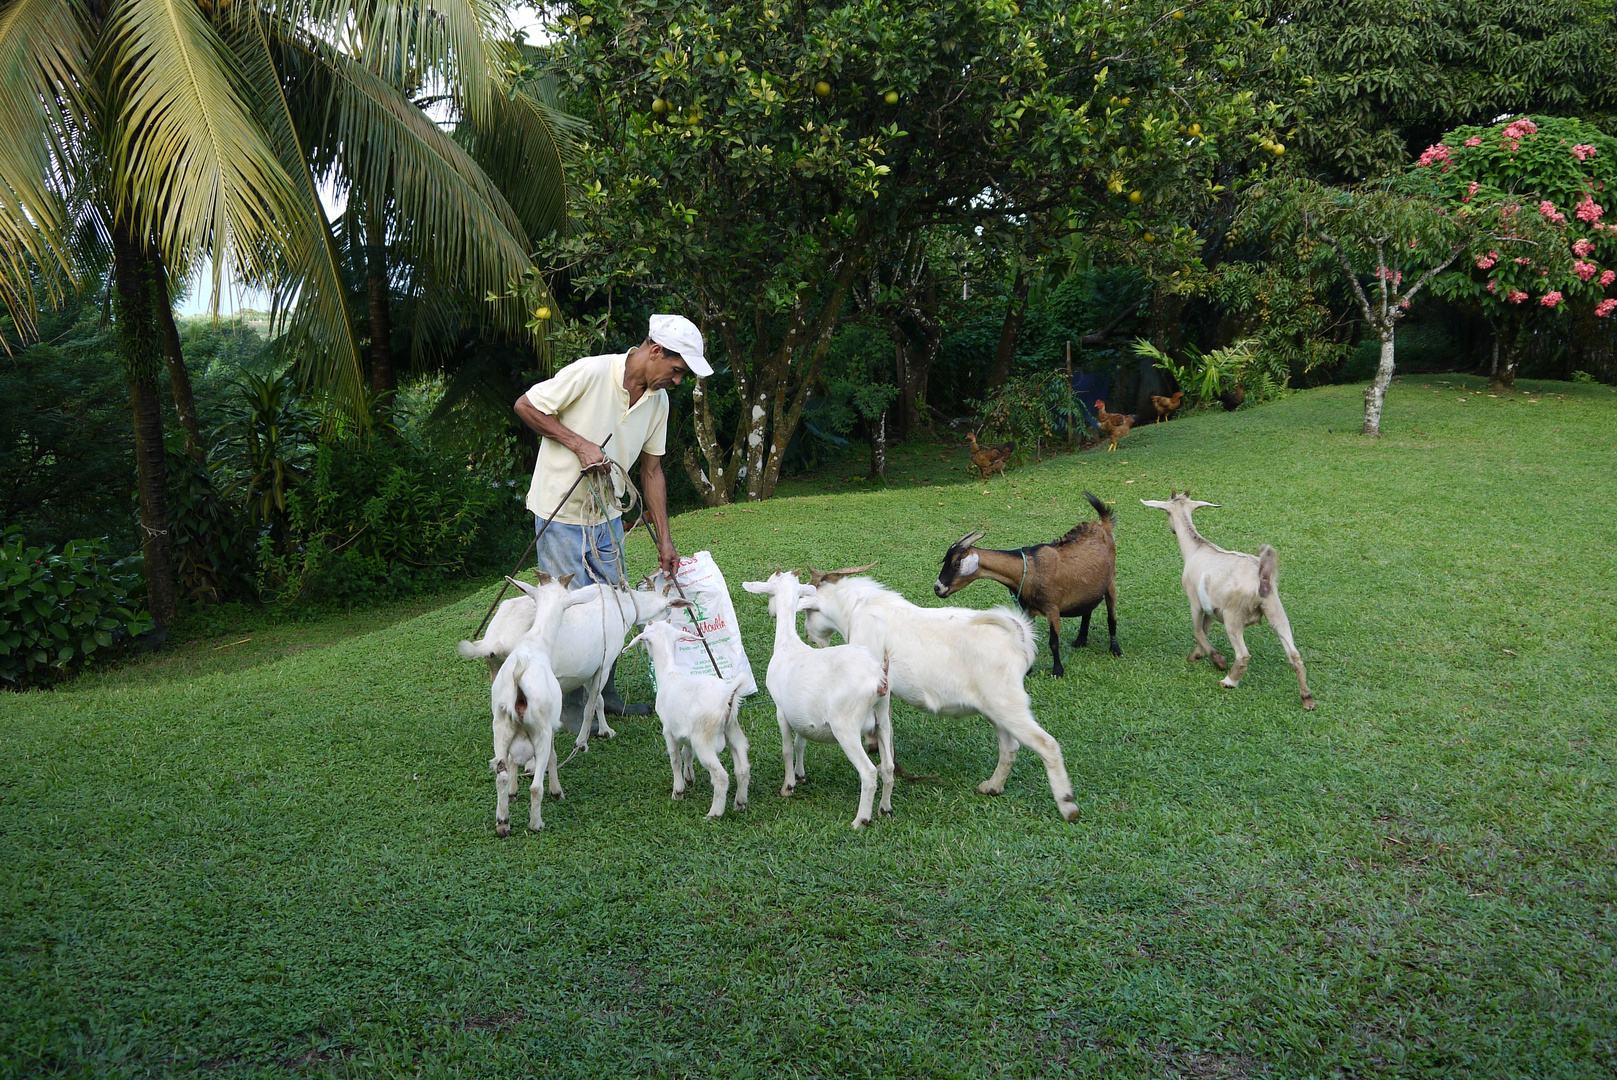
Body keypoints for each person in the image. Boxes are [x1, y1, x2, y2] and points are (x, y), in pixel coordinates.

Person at [513, 314, 710, 724]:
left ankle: (605, 696)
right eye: (676, 371)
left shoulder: (659, 402)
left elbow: (651, 471)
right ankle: (566, 706)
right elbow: (526, 406)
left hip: (609, 515)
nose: (677, 381)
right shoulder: (591, 371)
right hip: (560, 511)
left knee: (613, 605)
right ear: (655, 351)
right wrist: (578, 443)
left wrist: (665, 541)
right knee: (568, 610)